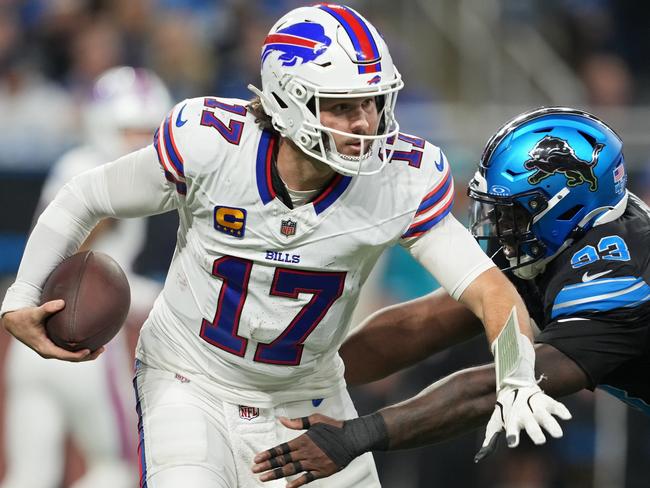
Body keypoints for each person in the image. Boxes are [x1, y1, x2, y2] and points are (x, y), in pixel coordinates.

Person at [0, 6, 567, 487]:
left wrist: (516, 375)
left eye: (372, 103)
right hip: (190, 380)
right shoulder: (211, 148)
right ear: (288, 101)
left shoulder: (399, 179)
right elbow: (85, 196)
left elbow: (489, 289)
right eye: (343, 105)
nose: (365, 122)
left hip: (308, 394)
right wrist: (21, 296)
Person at [251, 107, 650, 487]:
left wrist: (357, 435)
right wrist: (301, 380)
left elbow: (508, 384)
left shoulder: (616, 277)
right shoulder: (573, 234)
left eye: (512, 213)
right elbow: (422, 324)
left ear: (566, 207)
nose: (496, 226)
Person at [0, 66, 172, 488]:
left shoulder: (75, 163)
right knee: (113, 465)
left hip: (30, 345)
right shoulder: (95, 173)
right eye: (129, 129)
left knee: (30, 473)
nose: (138, 141)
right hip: (83, 345)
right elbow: (77, 263)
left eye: (145, 130)